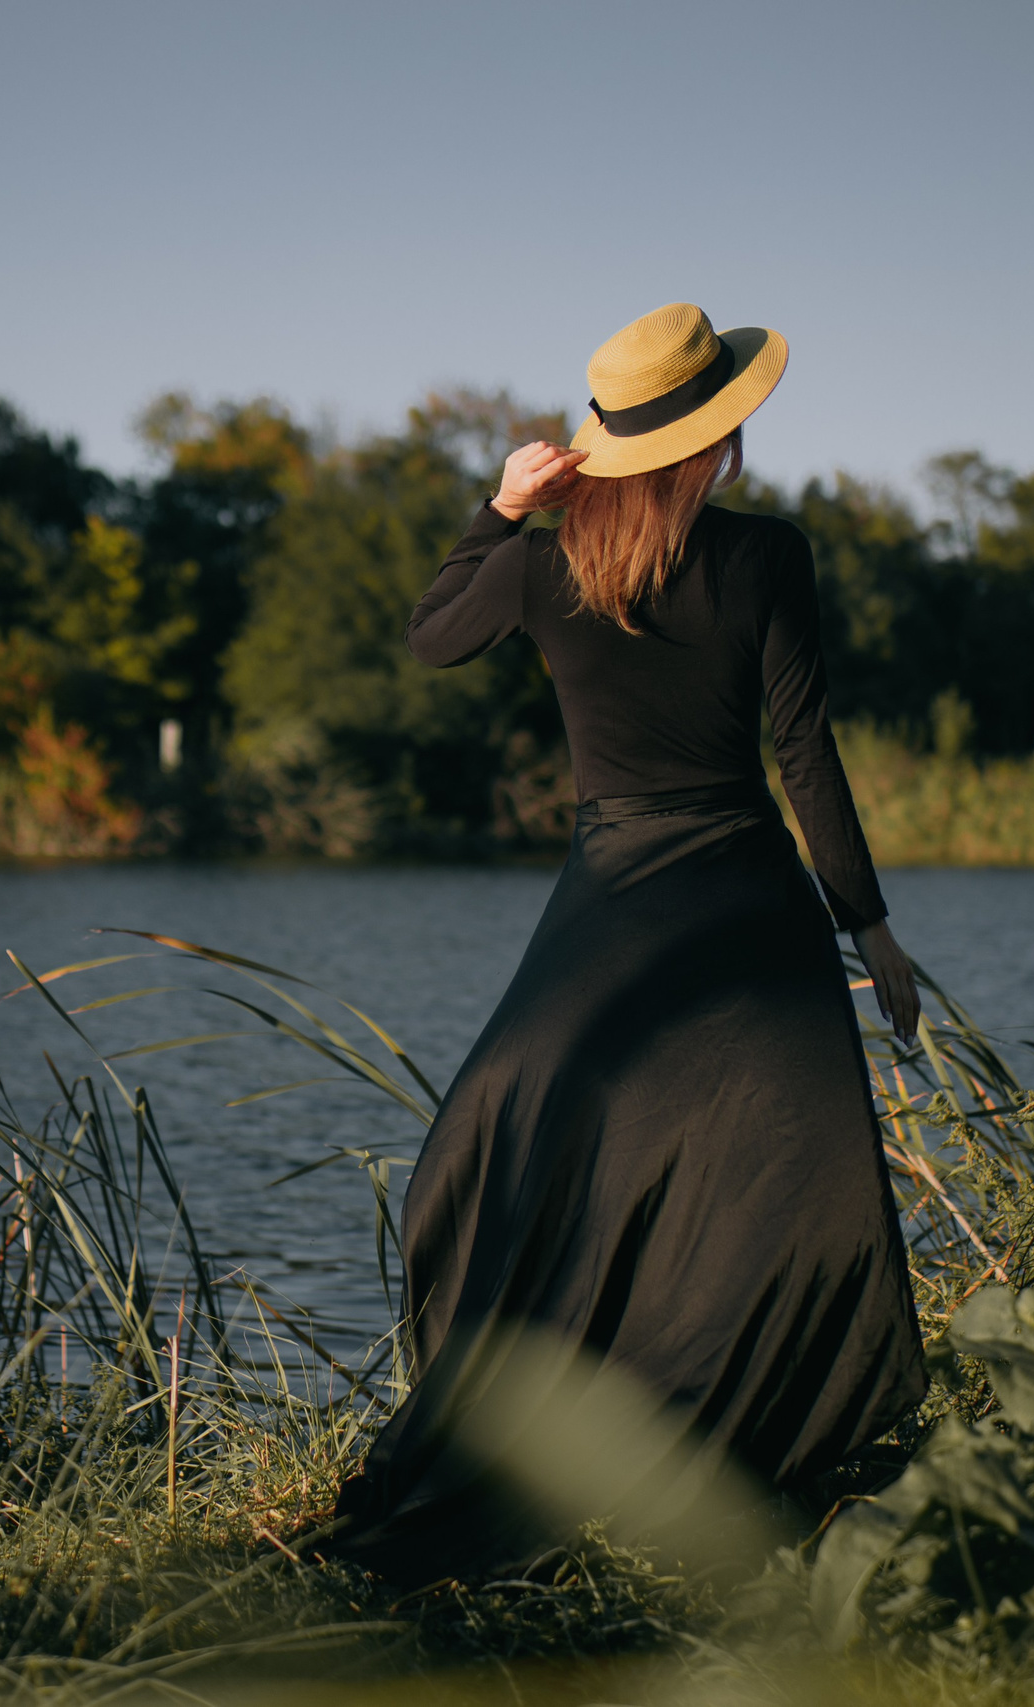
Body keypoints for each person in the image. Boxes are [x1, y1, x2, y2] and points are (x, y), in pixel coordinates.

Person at [322, 303, 928, 1585]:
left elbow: (430, 637)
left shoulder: (545, 563)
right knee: (767, 1183)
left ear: (609, 442)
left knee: (502, 1138)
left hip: (613, 890)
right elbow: (803, 753)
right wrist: (865, 923)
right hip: (749, 900)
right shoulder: (768, 554)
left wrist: (496, 508)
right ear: (718, 436)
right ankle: (742, 1448)